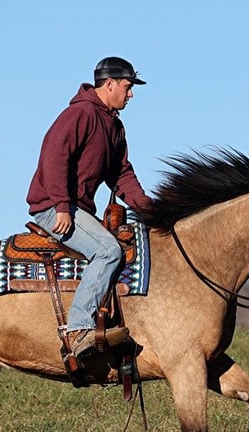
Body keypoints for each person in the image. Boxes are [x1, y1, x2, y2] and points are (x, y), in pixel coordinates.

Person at [26, 56, 153, 360]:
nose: (131, 94)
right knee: (108, 251)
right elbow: (55, 157)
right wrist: (61, 206)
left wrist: (151, 211)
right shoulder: (80, 115)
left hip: (76, 209)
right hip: (53, 208)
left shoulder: (114, 126)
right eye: (127, 86)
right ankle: (79, 330)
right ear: (110, 84)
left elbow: (121, 174)